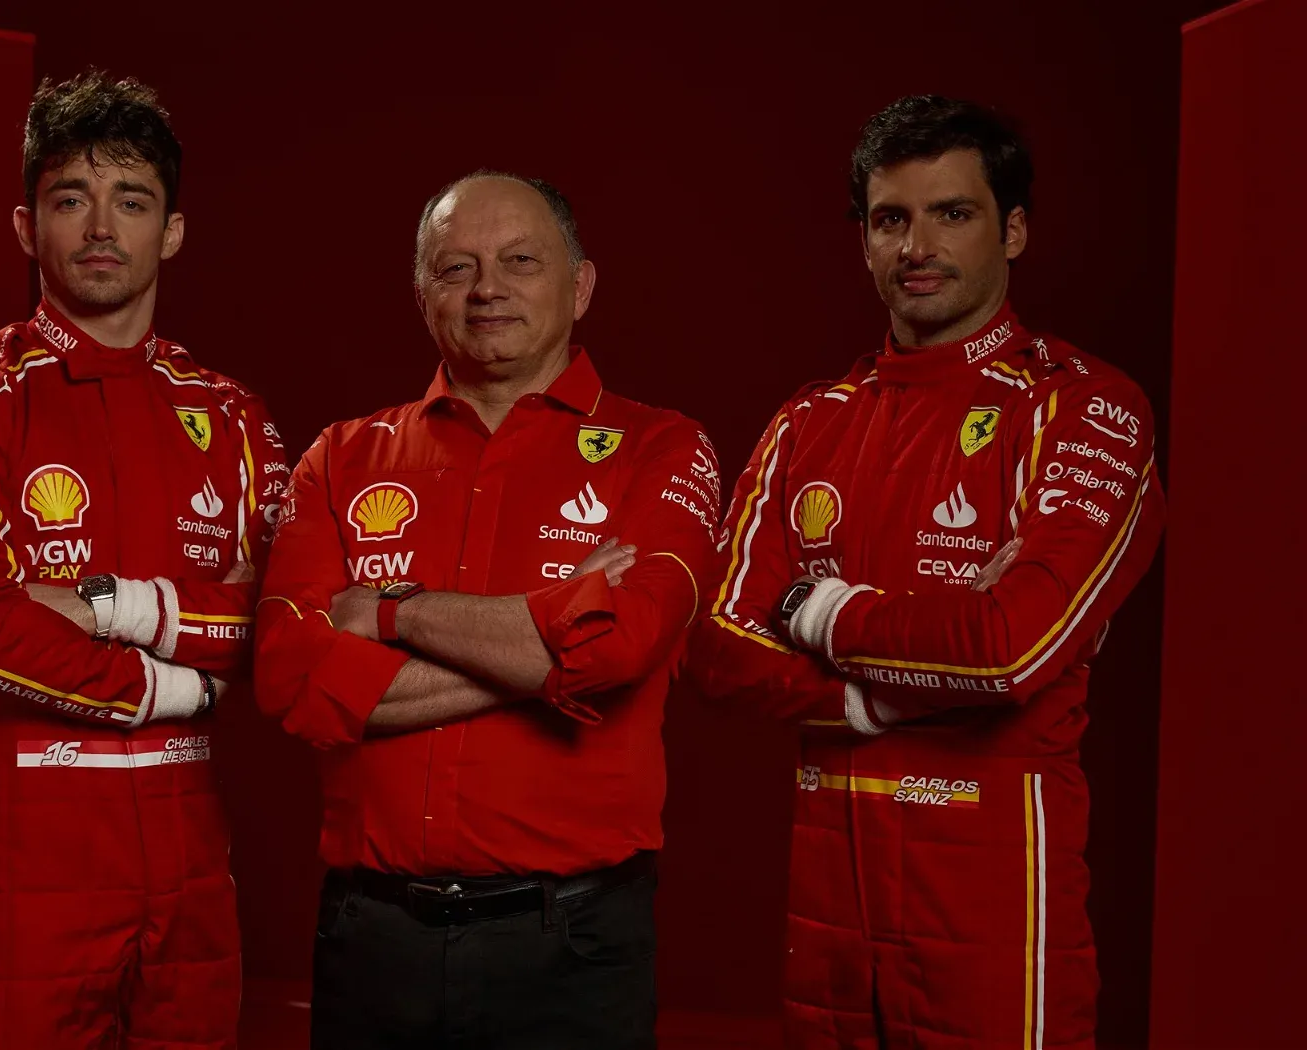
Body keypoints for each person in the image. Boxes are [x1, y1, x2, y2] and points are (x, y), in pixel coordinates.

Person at [689, 96, 1166, 1049]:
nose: (918, 244)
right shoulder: (806, 421)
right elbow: (713, 649)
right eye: (890, 218)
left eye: (953, 213)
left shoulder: (1084, 407)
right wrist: (882, 698)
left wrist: (815, 609)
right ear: (863, 240)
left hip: (993, 904)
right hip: (828, 909)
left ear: (1014, 229)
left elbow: (1009, 646)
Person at [253, 171, 721, 1049]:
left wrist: (389, 613)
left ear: (579, 286)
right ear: (421, 290)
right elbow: (291, 683)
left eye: (519, 261)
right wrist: (549, 638)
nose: (486, 290)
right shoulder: (339, 458)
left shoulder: (662, 448)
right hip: (371, 940)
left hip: (572, 947)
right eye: (455, 266)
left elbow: (615, 653)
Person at [0, 72, 287, 1049]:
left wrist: (115, 606)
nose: (101, 227)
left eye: (131, 202)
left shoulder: (232, 417)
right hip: (29, 871)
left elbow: (290, 621)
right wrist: (180, 687)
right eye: (71, 200)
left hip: (195, 872)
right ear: (27, 227)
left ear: (171, 232)